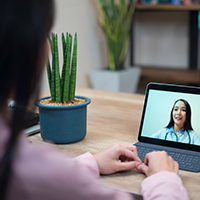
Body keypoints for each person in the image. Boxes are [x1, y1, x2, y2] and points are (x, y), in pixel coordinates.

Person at [0, 0, 189, 199]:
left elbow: (46, 176)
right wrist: (164, 178)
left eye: (183, 109)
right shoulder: (24, 167)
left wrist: (93, 162)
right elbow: (44, 175)